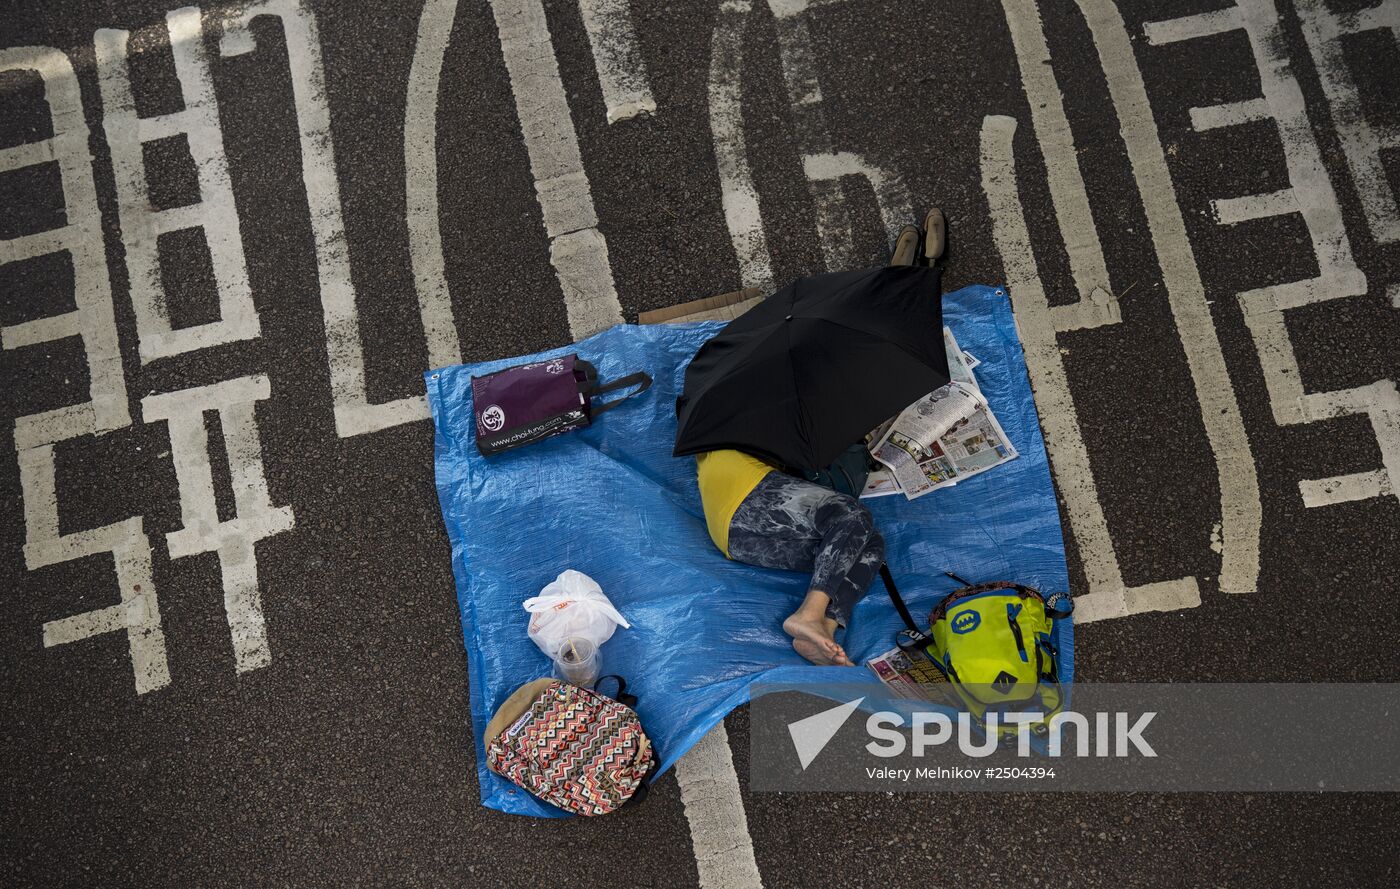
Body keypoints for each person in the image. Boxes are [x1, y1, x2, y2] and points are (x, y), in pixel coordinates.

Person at [696, 449, 884, 666]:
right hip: (747, 489)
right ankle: (809, 613)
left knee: (867, 541)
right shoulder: (739, 427)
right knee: (854, 515)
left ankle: (824, 629)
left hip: (734, 538)